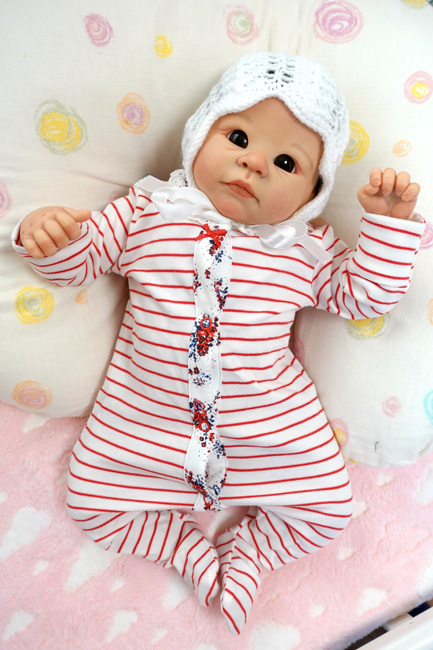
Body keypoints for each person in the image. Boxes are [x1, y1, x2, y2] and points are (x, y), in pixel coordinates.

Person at [12, 51, 425, 635]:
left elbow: (362, 297)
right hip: (143, 424)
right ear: (199, 135)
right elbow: (80, 263)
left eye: (286, 162)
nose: (254, 162)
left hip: (270, 429)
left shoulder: (302, 247)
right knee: (90, 503)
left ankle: (250, 552)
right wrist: (51, 238)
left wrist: (389, 228)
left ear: (311, 194)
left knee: (329, 509)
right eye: (237, 137)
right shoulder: (148, 211)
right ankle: (181, 547)